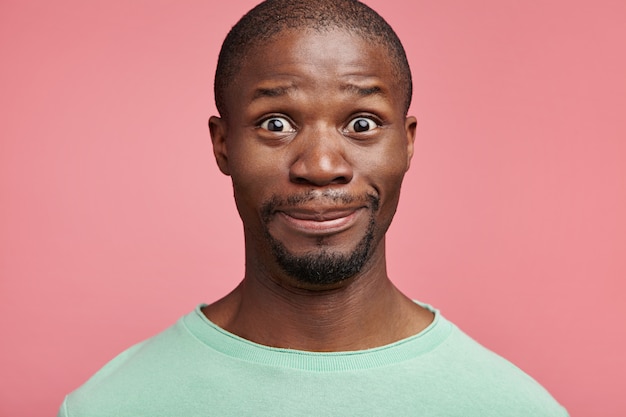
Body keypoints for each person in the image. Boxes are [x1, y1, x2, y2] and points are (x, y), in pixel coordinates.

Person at [58, 0, 568, 415]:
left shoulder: (512, 407)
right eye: (276, 123)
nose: (321, 166)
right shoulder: (110, 406)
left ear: (407, 144)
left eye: (363, 123)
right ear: (222, 145)